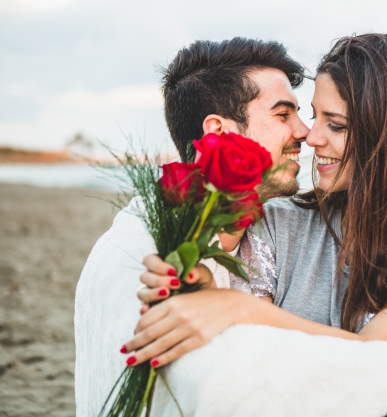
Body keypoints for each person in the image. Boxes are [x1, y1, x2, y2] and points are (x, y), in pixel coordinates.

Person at [124, 34, 387, 412]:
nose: (312, 137)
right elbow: (247, 357)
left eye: (336, 125)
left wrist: (236, 308)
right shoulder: (276, 224)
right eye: (314, 116)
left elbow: (370, 361)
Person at [74, 37, 310, 416]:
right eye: (284, 115)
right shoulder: (140, 253)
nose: (305, 132)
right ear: (218, 132)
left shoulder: (277, 230)